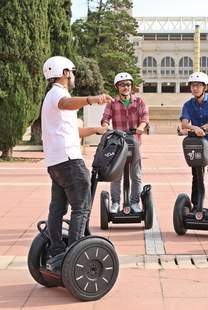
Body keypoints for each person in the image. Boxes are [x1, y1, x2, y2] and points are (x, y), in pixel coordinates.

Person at [41, 56, 112, 272]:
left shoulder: (51, 97)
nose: (73, 76)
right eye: (71, 72)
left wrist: (96, 130)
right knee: (81, 207)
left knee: (57, 208)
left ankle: (56, 253)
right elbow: (65, 103)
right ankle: (72, 255)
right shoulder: (59, 95)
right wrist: (93, 99)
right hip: (70, 161)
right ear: (64, 73)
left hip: (55, 163)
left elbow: (72, 131)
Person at [101, 72, 149, 213]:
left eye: (128, 84)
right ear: (117, 87)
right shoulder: (112, 103)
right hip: (118, 143)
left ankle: (134, 203)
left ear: (131, 86)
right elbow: (105, 118)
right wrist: (105, 126)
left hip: (134, 142)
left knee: (136, 175)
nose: (125, 87)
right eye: (122, 85)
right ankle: (115, 203)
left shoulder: (139, 101)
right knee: (116, 175)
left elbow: (145, 117)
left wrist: (141, 127)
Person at [180, 72, 208, 214]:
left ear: (205, 87)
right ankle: (196, 205)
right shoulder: (188, 104)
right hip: (197, 145)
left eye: (198, 85)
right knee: (196, 176)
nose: (195, 88)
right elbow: (184, 123)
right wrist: (194, 128)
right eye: (192, 85)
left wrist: (203, 128)